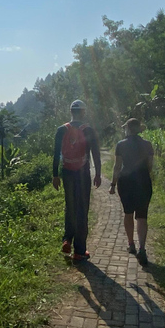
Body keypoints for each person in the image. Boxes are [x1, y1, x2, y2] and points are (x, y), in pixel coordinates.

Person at [52, 99, 102, 260]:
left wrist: (55, 175)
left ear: (71, 112)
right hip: (82, 173)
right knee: (82, 209)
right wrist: (98, 174)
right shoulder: (89, 130)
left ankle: (67, 239)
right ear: (83, 112)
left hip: (67, 172)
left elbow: (55, 155)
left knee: (70, 205)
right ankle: (79, 251)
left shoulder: (61, 130)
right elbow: (95, 154)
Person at [109, 117, 154, 266]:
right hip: (143, 182)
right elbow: (150, 166)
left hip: (126, 182)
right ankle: (142, 247)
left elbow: (117, 166)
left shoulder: (121, 145)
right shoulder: (147, 145)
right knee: (142, 216)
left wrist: (113, 184)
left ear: (128, 129)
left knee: (128, 213)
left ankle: (131, 244)